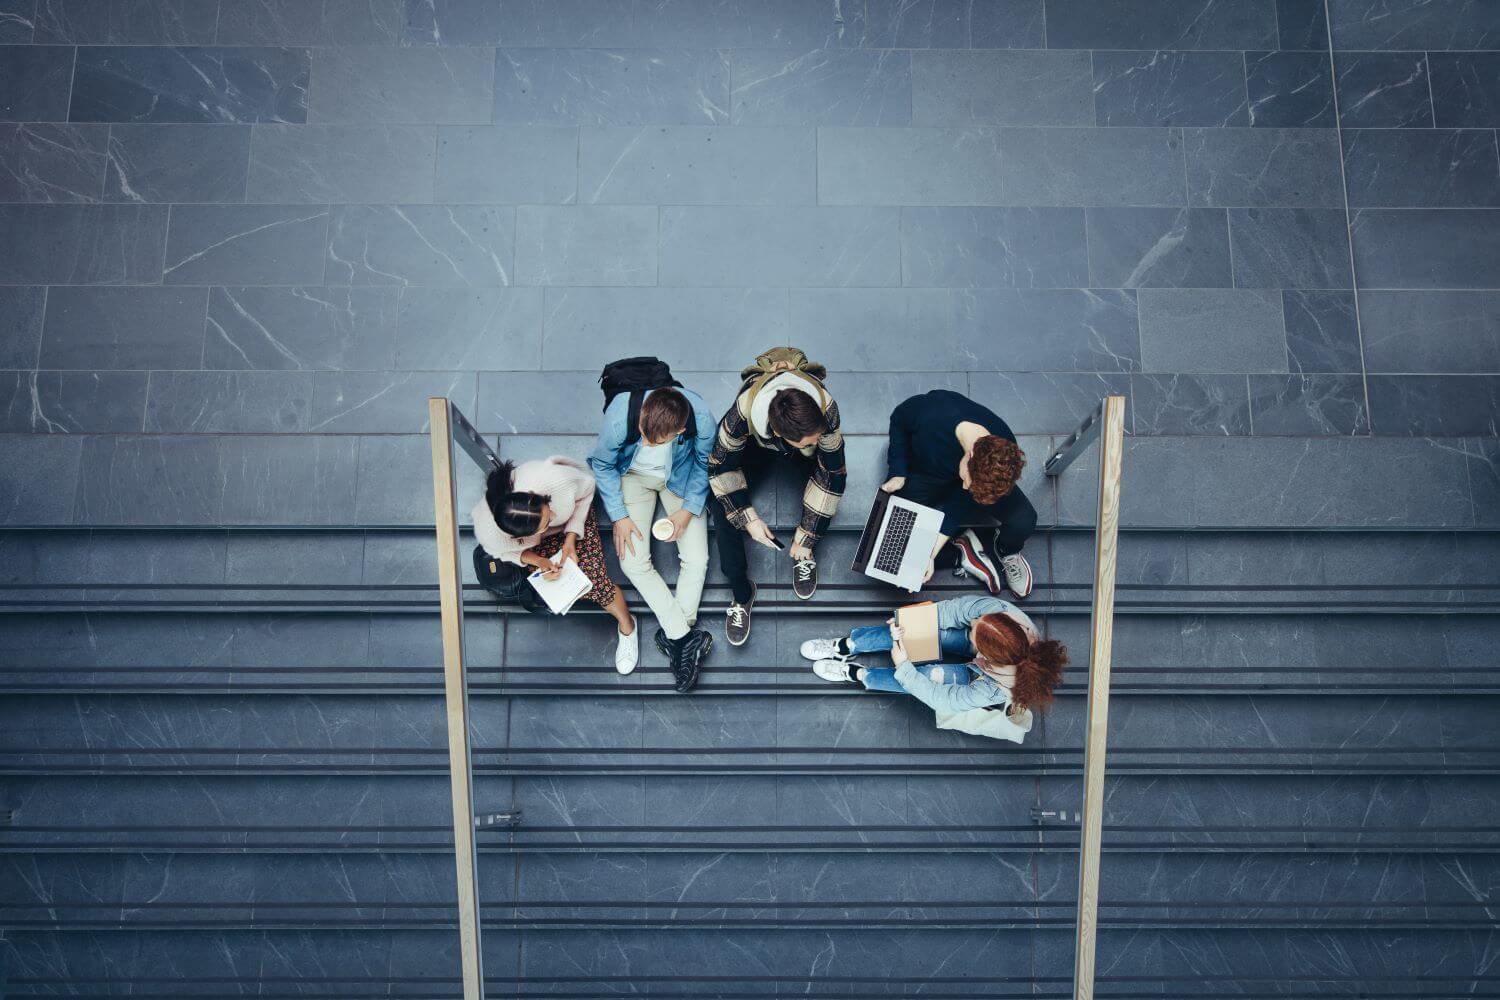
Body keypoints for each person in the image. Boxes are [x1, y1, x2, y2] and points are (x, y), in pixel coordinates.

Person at [708, 347, 846, 646]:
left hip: (794, 447)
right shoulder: (739, 416)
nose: (817, 441)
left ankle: (804, 554)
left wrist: (806, 536)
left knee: (823, 473)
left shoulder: (826, 409)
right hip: (756, 446)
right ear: (784, 437)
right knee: (718, 505)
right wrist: (748, 518)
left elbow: (832, 473)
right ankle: (742, 593)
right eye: (809, 441)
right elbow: (720, 468)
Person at [799, 595, 1067, 743]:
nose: (972, 621)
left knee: (927, 679)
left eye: (974, 628)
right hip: (986, 659)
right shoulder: (999, 612)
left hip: (980, 674)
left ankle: (859, 674)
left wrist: (904, 666)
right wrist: (912, 621)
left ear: (986, 654)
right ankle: (847, 645)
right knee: (910, 634)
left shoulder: (996, 689)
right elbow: (954, 611)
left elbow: (944, 699)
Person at [588, 384, 715, 691]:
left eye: (654, 440)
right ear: (643, 415)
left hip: (679, 478)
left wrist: (688, 510)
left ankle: (676, 638)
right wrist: (619, 515)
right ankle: (684, 638)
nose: (644, 441)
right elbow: (603, 463)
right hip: (633, 477)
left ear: (680, 430)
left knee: (698, 559)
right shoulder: (622, 416)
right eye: (642, 433)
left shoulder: (702, 422)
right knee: (632, 563)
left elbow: (703, 464)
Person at [473, 457, 640, 673]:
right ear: (518, 535)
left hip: (574, 511)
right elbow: (506, 551)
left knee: (593, 582)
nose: (552, 515)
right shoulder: (491, 534)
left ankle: (628, 626)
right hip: (535, 544)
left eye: (548, 511)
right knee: (560, 582)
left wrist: (570, 537)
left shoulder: (557, 481)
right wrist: (540, 561)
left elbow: (587, 488)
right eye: (546, 522)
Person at [883, 388, 1037, 598]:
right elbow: (898, 418)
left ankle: (1006, 551)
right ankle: (960, 551)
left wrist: (930, 552)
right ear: (970, 454)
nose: (965, 487)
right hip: (929, 473)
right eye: (968, 481)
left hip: (977, 480)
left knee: (1024, 520)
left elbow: (965, 496)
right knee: (890, 553)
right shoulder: (933, 415)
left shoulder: (1003, 449)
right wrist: (898, 471)